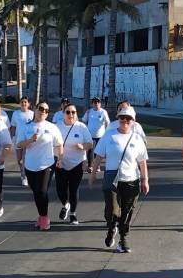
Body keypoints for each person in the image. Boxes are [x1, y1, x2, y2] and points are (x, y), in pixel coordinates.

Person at [89, 107, 149, 253]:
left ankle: (123, 238)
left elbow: (142, 162)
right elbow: (98, 157)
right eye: (122, 117)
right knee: (112, 211)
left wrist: (145, 180)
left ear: (133, 121)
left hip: (131, 179)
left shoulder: (137, 139)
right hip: (112, 178)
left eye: (128, 118)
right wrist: (92, 174)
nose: (125, 121)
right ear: (118, 119)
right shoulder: (109, 136)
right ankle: (111, 227)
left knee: (127, 211)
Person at [16, 101, 63, 231]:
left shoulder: (52, 127)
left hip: (47, 163)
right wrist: (30, 140)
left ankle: (44, 218)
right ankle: (41, 215)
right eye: (41, 109)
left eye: (46, 111)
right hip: (30, 165)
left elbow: (59, 144)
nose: (43, 112)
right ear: (35, 109)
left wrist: (60, 159)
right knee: (36, 192)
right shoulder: (25, 127)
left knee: (42, 191)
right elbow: (19, 144)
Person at [55, 103, 93, 224]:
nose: (71, 114)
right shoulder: (57, 127)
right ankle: (66, 205)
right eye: (68, 112)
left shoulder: (81, 127)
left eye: (73, 112)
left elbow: (90, 143)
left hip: (77, 163)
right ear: (63, 114)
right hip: (60, 162)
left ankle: (73, 215)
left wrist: (82, 146)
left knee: (73, 189)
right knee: (60, 189)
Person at [11, 96, 35, 187]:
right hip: (18, 140)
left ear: (28, 104)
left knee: (25, 160)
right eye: (22, 102)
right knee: (19, 160)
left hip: (28, 141)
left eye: (25, 102)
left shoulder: (32, 114)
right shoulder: (16, 114)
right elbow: (13, 126)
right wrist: (11, 137)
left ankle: (25, 177)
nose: (24, 104)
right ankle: (23, 173)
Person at [82, 97, 110, 172]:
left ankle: (97, 166)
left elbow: (107, 122)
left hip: (100, 135)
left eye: (98, 102)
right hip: (90, 135)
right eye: (94, 102)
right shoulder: (89, 112)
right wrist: (85, 130)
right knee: (90, 150)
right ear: (92, 104)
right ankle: (90, 166)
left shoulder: (103, 112)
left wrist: (106, 132)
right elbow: (84, 121)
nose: (96, 103)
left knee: (98, 151)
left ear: (100, 103)